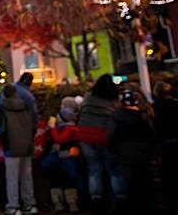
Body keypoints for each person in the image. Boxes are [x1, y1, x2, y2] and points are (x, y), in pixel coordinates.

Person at [76, 73, 124, 214]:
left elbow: (80, 113)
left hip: (85, 136)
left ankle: (96, 199)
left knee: (94, 170)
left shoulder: (88, 97)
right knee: (113, 171)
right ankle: (119, 198)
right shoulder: (113, 99)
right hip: (103, 135)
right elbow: (117, 117)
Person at [106, 89, 156, 215]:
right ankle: (148, 207)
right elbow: (152, 134)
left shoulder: (116, 116)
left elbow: (110, 136)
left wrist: (115, 150)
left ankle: (134, 207)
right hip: (144, 152)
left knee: (130, 183)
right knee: (146, 181)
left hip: (126, 152)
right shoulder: (144, 115)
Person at [0, 84, 37, 215]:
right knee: (27, 177)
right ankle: (29, 205)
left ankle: (14, 206)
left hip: (11, 146)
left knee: (12, 178)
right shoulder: (25, 105)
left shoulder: (2, 107)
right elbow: (33, 124)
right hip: (27, 145)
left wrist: (4, 142)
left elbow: (0, 129)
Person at [39, 98, 84, 213]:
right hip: (61, 155)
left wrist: (52, 129)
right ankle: (64, 201)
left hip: (65, 155)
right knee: (61, 176)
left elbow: (60, 139)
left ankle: (67, 201)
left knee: (66, 176)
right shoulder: (71, 124)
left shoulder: (69, 127)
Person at [153, 81, 178, 214]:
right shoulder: (175, 104)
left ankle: (170, 203)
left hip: (164, 143)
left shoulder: (155, 107)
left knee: (168, 175)